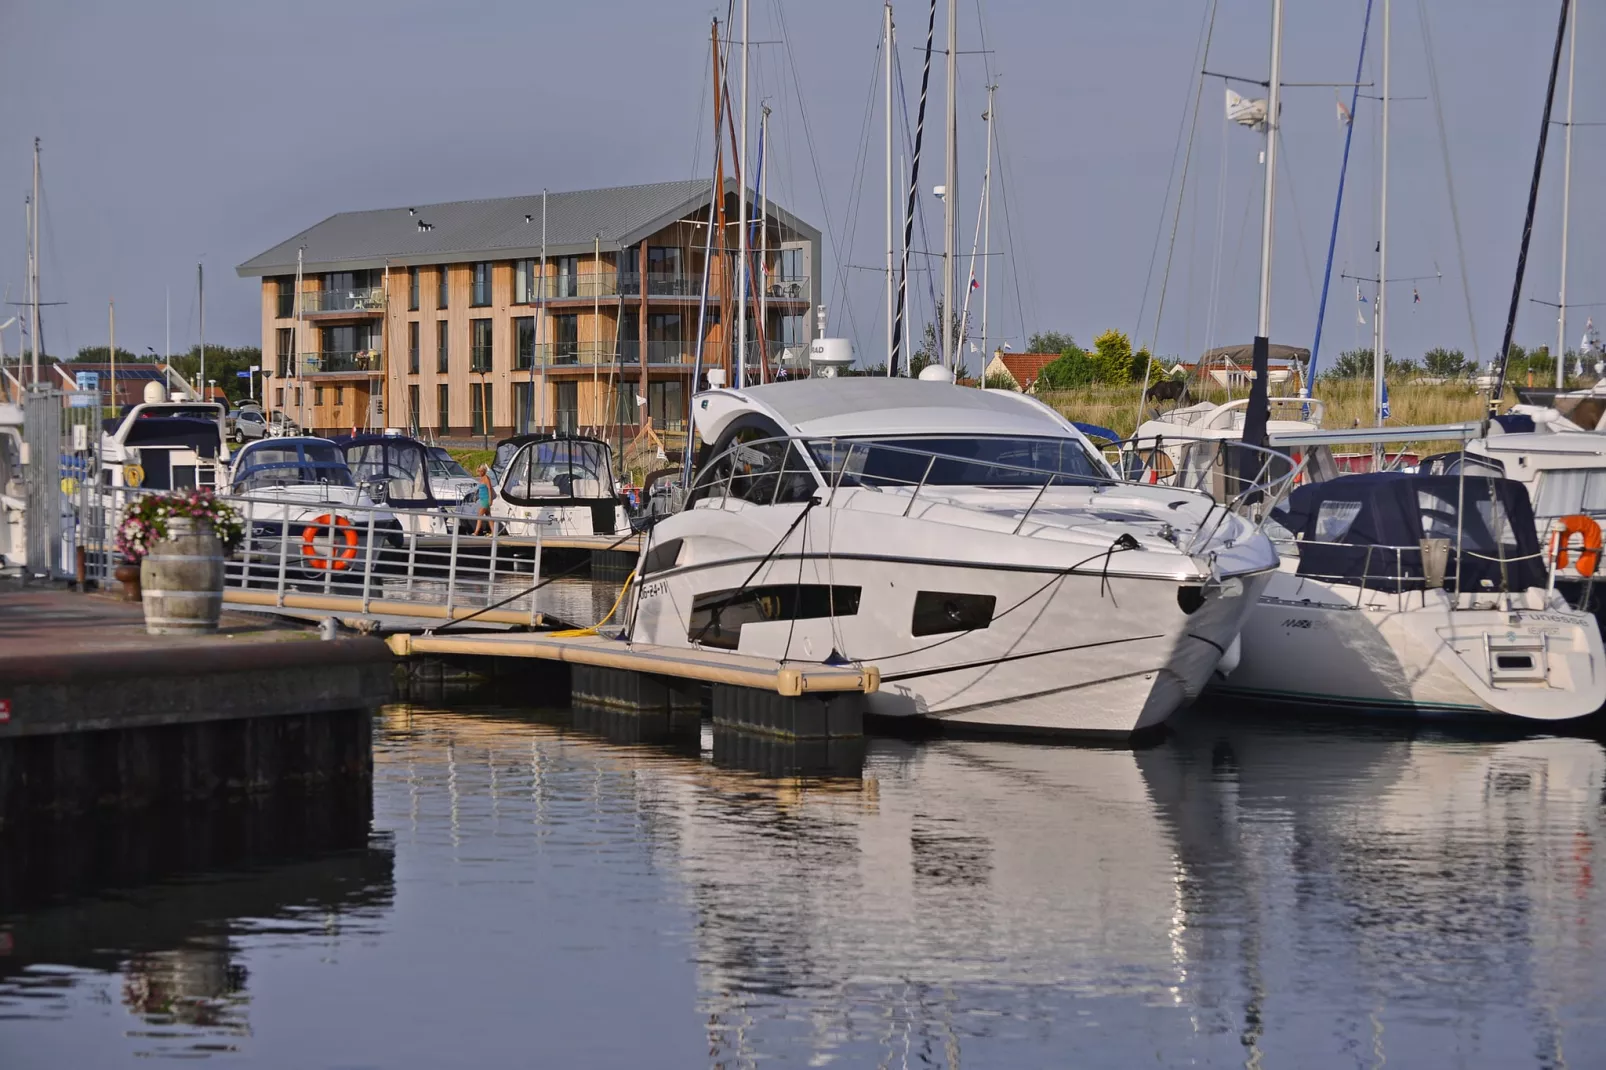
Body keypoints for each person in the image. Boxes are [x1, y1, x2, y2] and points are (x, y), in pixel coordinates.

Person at [472, 464, 494, 535]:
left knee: (479, 515)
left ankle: (476, 532)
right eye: (478, 471)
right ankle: (494, 531)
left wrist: (490, 499)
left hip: (486, 499)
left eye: (480, 471)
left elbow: (489, 489)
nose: (479, 473)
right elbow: (480, 490)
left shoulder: (486, 478)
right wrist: (476, 497)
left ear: (483, 471)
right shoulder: (481, 478)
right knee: (488, 516)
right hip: (482, 499)